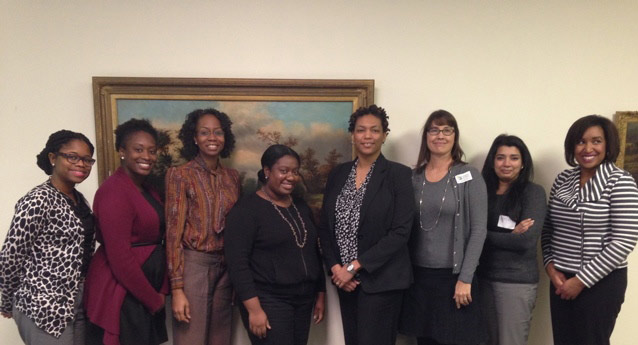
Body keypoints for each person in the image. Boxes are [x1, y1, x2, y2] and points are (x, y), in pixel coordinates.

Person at [318, 105, 414, 345]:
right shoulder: (338, 174)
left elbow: (400, 232)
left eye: (374, 130)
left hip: (382, 282)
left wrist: (354, 267)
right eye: (361, 130)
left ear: (384, 135)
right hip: (345, 283)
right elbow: (325, 228)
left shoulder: (398, 175)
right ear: (353, 135)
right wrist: (336, 269)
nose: (367, 136)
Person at [541, 115, 638, 345]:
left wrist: (581, 280)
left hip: (600, 284)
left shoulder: (620, 181)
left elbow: (624, 241)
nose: (588, 148)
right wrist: (550, 268)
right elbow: (548, 228)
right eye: (581, 141)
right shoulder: (563, 179)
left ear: (608, 145)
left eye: (596, 141)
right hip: (560, 280)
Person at [399, 109, 487, 345]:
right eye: (434, 130)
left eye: (447, 130)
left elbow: (479, 230)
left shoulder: (468, 175)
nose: (440, 135)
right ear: (426, 136)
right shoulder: (413, 177)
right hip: (419, 280)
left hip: (454, 279)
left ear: (455, 136)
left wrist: (465, 278)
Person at [0, 130, 95, 345]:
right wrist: (6, 302)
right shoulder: (37, 200)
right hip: (43, 306)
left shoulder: (80, 200)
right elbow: (11, 255)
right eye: (73, 157)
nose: (81, 164)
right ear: (53, 158)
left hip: (77, 301)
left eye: (87, 159)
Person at [225, 144, 325, 345]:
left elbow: (312, 251)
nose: (291, 177)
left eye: (295, 172)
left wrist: (320, 293)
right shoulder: (246, 210)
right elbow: (237, 265)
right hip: (268, 301)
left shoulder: (301, 206)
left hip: (303, 300)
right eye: (284, 171)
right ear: (267, 171)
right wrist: (254, 310)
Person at [83, 119, 168, 345]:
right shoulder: (113, 192)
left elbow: (159, 242)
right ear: (122, 151)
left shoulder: (148, 189)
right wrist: (153, 300)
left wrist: (162, 289)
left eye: (152, 151)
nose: (147, 156)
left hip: (143, 291)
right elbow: (120, 258)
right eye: (138, 149)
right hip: (121, 292)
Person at [165, 108, 240, 345]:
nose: (212, 138)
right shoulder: (180, 174)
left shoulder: (232, 177)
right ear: (194, 138)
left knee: (221, 339)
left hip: (225, 267)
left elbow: (238, 229)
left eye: (218, 132)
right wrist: (177, 290)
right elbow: (173, 234)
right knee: (191, 339)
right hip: (194, 265)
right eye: (204, 132)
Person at [477, 134, 546, 345]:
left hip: (516, 282)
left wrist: (481, 234)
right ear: (492, 161)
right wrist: (509, 235)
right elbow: (466, 232)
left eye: (514, 158)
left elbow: (525, 241)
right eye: (500, 157)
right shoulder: (481, 191)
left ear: (523, 163)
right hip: (481, 279)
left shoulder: (533, 192)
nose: (507, 163)